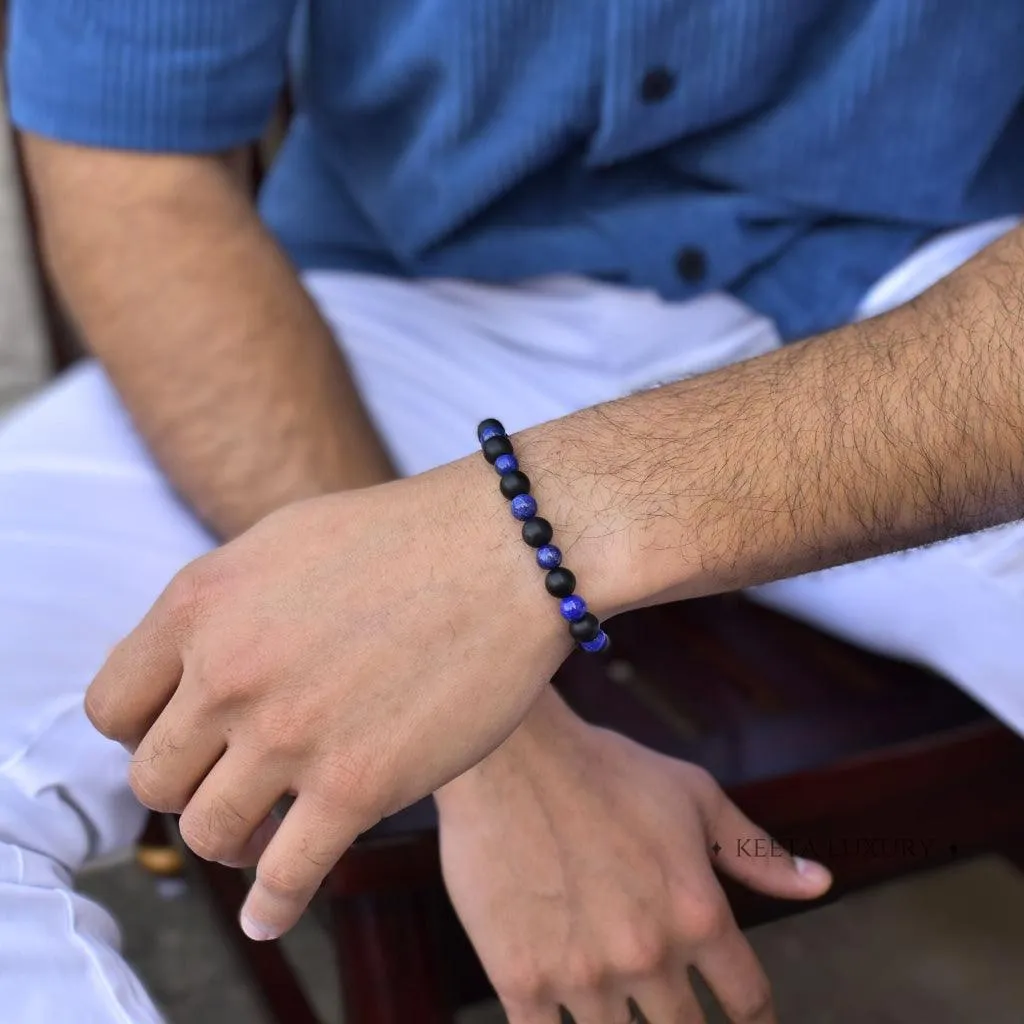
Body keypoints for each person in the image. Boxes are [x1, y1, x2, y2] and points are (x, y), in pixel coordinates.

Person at [2, 1, 1023, 1021]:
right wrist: (498, 752)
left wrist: (531, 532)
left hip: (940, 306)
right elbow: (134, 169)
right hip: (390, 307)